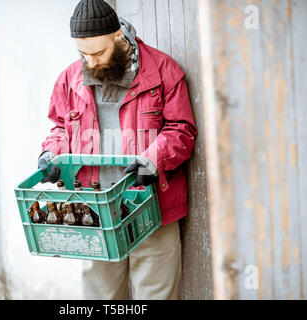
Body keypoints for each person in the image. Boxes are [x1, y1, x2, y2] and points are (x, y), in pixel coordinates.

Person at [38, 0, 197, 300]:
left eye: (98, 53)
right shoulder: (69, 78)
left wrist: (154, 160)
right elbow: (60, 127)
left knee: (156, 297)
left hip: (152, 209)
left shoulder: (163, 70)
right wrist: (51, 154)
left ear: (119, 37)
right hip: (94, 211)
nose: (91, 62)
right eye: (83, 54)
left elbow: (182, 129)